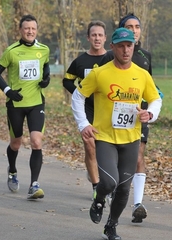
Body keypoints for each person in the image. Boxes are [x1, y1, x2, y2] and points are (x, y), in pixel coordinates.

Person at [72, 27, 162, 240]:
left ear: (133, 47)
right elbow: (77, 96)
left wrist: (150, 114)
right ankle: (99, 198)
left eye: (129, 45)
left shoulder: (142, 75)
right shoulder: (100, 73)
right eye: (120, 46)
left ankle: (111, 226)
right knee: (110, 182)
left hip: (131, 138)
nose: (125, 50)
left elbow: (156, 99)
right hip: (105, 137)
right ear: (112, 47)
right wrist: (83, 124)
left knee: (123, 188)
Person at [100, 13, 163, 223]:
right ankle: (109, 190)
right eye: (130, 26)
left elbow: (150, 86)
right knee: (114, 167)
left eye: (137, 27)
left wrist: (152, 107)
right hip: (109, 123)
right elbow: (96, 90)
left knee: (138, 156)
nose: (134, 30)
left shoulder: (145, 56)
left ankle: (137, 203)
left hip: (138, 118)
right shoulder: (109, 57)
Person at [0, 14, 50, 200]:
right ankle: (13, 171)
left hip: (36, 103)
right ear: (20, 30)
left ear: (37, 30)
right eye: (26, 28)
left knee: (36, 141)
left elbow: (45, 67)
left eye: (33, 28)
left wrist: (46, 79)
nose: (30, 31)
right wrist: (8, 91)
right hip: (15, 104)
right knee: (16, 143)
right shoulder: (11, 51)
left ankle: (34, 185)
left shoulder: (44, 49)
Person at [63, 20, 107, 199]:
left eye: (100, 35)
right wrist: (79, 95)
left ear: (105, 38)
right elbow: (67, 80)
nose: (97, 38)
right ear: (88, 38)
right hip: (87, 109)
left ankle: (103, 176)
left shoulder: (111, 59)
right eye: (94, 35)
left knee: (106, 147)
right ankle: (97, 186)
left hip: (107, 109)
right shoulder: (80, 61)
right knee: (90, 145)